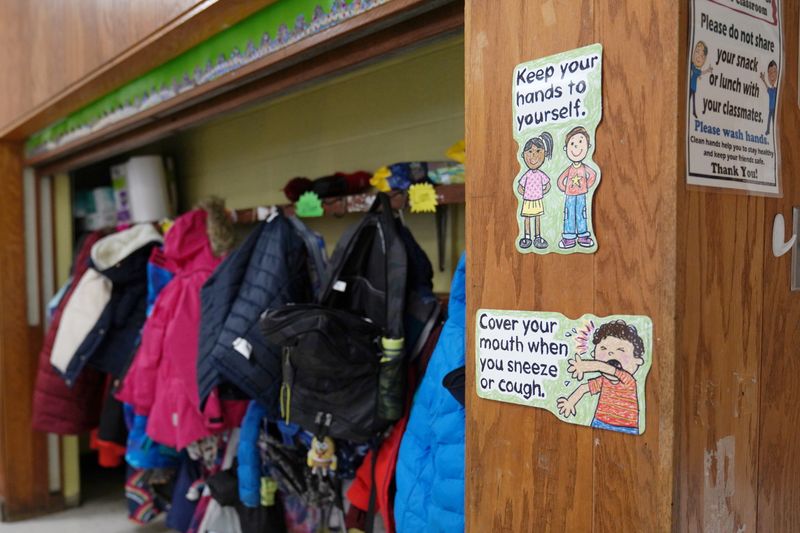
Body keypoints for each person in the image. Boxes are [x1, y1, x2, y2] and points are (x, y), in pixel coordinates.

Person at [556, 320, 646, 435]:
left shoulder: (628, 380)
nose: (611, 354)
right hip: (599, 423)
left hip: (627, 428)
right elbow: (584, 388)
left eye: (621, 350)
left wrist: (586, 366)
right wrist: (570, 402)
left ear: (637, 361)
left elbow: (607, 368)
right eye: (603, 348)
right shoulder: (603, 381)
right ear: (594, 354)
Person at [557, 126, 597, 249]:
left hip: (581, 195)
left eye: (580, 142)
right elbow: (560, 180)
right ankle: (569, 237)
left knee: (581, 213)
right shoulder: (569, 169)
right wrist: (565, 188)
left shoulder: (584, 167)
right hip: (569, 195)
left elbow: (593, 175)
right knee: (569, 214)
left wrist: (586, 186)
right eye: (573, 143)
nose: (576, 147)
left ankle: (583, 236)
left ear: (588, 146)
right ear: (566, 148)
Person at [516, 132, 554, 249]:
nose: (534, 156)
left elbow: (548, 184)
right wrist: (525, 194)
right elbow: (519, 187)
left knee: (537, 217)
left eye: (538, 151)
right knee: (527, 217)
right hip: (528, 200)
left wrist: (542, 192)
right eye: (530, 152)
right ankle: (527, 237)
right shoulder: (526, 175)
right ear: (523, 155)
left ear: (545, 153)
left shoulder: (541, 174)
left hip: (537, 199)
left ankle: (537, 237)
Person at [689, 41, 712, 119]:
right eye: (697, 52)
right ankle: (691, 111)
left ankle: (694, 111)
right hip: (690, 86)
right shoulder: (692, 66)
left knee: (693, 100)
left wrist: (708, 70)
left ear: (704, 59)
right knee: (689, 98)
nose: (698, 57)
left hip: (693, 87)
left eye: (702, 56)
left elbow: (702, 72)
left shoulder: (695, 70)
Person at [760, 60, 779, 135]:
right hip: (771, 108)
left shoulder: (777, 90)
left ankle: (775, 131)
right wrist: (763, 79)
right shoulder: (771, 90)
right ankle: (768, 130)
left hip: (775, 108)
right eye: (770, 73)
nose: (772, 75)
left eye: (774, 72)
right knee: (769, 120)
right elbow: (767, 87)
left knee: (774, 120)